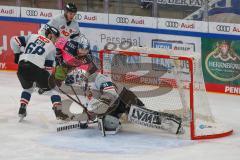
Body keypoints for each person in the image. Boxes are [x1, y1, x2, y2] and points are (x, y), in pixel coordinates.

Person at [10, 25, 69, 121]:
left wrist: (17, 54)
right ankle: (58, 112)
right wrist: (44, 85)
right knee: (54, 89)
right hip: (35, 68)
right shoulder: (52, 47)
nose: (56, 41)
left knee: (28, 88)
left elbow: (14, 40)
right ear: (49, 35)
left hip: (21, 68)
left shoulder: (32, 36)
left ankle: (22, 108)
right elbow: (48, 69)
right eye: (55, 38)